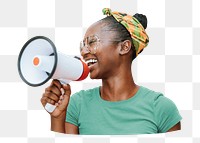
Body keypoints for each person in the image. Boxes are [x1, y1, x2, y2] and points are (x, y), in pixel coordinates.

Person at [41, 8, 182, 135]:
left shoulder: (162, 108)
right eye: (82, 45)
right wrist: (57, 118)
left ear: (124, 47)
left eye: (91, 42)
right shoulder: (77, 104)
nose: (83, 52)